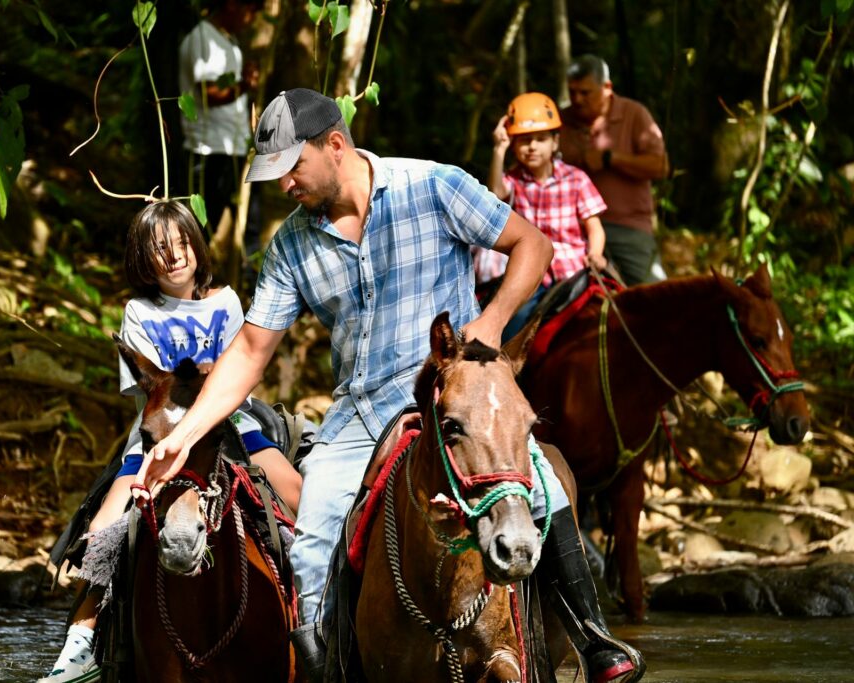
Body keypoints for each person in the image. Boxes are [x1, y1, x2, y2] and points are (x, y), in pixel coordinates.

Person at [133, 89, 644, 683]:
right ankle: (331, 670)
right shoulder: (291, 245)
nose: (284, 187)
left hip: (454, 394)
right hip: (360, 411)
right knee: (313, 542)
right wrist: (185, 434)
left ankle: (594, 639)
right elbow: (250, 350)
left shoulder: (435, 186)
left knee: (545, 486)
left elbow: (532, 244)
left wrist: (493, 320)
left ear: (335, 145)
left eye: (292, 169)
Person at [37, 200, 301, 683]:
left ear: (197, 247)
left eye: (182, 244)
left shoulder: (226, 301)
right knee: (104, 529)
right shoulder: (138, 312)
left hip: (229, 424)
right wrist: (186, 375)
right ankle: (81, 647)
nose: (175, 256)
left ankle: (311, 618)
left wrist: (214, 377)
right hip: (161, 430)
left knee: (297, 496)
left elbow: (240, 368)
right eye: (161, 249)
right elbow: (147, 384)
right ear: (143, 259)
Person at [478, 91, 607, 341]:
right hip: (532, 271)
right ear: (514, 145)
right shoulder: (513, 181)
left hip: (574, 271)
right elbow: (495, 193)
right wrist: (498, 148)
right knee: (515, 320)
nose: (532, 146)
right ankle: (503, 365)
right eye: (524, 140)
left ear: (555, 142)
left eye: (540, 139)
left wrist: (597, 253)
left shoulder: (576, 178)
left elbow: (594, 227)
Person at [559, 54, 669, 286]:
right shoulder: (561, 120)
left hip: (627, 226)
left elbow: (661, 166)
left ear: (607, 87)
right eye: (572, 92)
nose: (577, 100)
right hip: (572, 230)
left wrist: (611, 159)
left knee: (655, 293)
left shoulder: (634, 114)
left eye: (585, 93)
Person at [178, 0, 261, 238]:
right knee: (198, 230)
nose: (252, 18)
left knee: (247, 226)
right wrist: (244, 84)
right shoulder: (204, 39)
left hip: (231, 149)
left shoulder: (228, 42)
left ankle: (243, 271)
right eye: (251, 9)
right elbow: (209, 94)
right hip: (208, 149)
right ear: (232, 4)